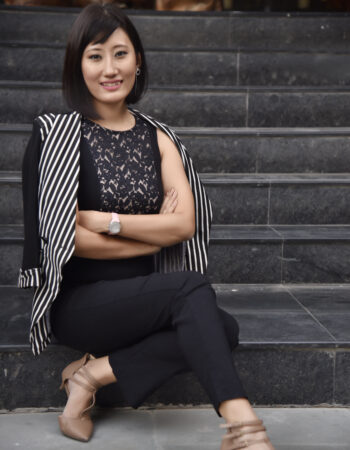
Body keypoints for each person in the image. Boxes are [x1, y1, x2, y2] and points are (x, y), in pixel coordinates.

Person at [18, 4, 275, 449]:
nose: (110, 68)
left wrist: (110, 222)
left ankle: (91, 374)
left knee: (223, 327)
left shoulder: (161, 138)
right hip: (79, 303)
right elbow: (68, 242)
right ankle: (243, 425)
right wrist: (153, 229)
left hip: (145, 298)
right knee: (189, 289)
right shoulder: (54, 136)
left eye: (121, 53)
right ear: (77, 65)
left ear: (138, 61)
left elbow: (185, 226)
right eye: (95, 55)